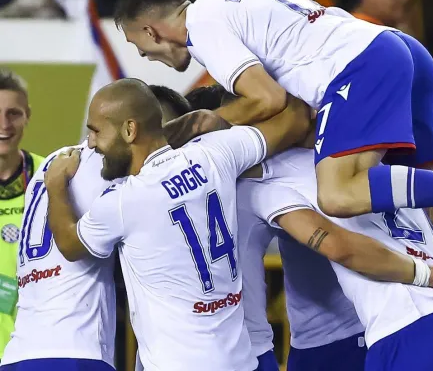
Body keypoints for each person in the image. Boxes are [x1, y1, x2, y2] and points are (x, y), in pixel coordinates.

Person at [113, 0, 433, 221]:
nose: (144, 56)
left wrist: (218, 120)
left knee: (337, 195)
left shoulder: (202, 28)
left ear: (149, 30)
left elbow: (268, 98)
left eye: (137, 44)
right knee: (428, 221)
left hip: (362, 64)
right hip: (400, 50)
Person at [188, 86, 433, 371]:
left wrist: (429, 275)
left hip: (402, 331)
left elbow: (341, 247)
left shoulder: (267, 180)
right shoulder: (369, 148)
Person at [43, 78, 311, 371]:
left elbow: (69, 245)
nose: (92, 144)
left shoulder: (124, 202)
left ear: (130, 130)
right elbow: (296, 120)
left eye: (95, 131)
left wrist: (55, 184)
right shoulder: (213, 154)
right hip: (239, 362)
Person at [0, 144, 118, 371]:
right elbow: (70, 246)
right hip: (74, 350)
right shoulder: (110, 161)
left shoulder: (49, 164)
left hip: (17, 354)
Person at [0, 69, 44, 361]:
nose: (4, 124)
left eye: (13, 113)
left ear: (28, 115)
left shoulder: (48, 177)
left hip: (33, 349)